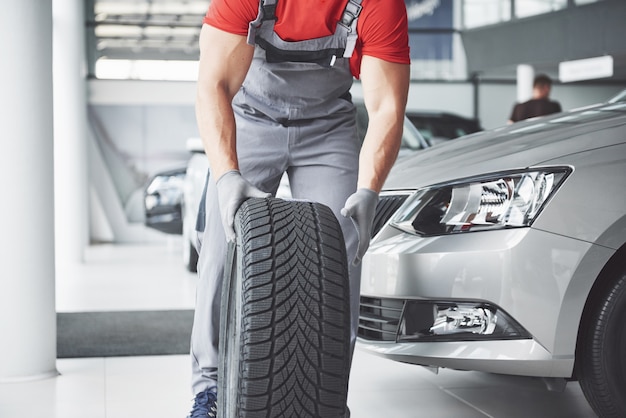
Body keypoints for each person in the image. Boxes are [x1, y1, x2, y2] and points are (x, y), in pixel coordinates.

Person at [188, 0, 410, 416]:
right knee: (220, 250)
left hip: (328, 126)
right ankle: (209, 389)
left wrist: (368, 190)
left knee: (343, 255)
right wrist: (227, 176)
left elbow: (387, 108)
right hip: (249, 116)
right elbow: (213, 84)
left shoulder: (379, 4)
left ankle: (328, 396)